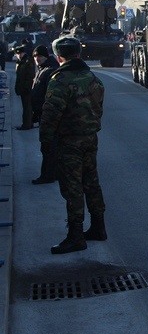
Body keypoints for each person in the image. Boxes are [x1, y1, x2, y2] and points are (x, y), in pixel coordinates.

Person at [40, 36, 107, 254]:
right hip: (90, 138)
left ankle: (76, 236)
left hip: (69, 141)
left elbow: (50, 114)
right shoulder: (92, 77)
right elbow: (98, 109)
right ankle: (98, 227)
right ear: (78, 54)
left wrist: (46, 141)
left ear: (59, 56)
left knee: (72, 187)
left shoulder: (60, 80)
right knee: (91, 183)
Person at [30, 45, 60, 184]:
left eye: (40, 56)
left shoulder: (50, 71)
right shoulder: (42, 70)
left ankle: (48, 175)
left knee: (48, 146)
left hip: (48, 116)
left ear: (46, 56)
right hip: (42, 114)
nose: (37, 59)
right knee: (48, 146)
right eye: (35, 56)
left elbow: (50, 96)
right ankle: (52, 173)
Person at [13, 45, 36, 130]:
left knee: (27, 107)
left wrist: (26, 87)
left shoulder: (27, 61)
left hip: (27, 88)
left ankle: (27, 125)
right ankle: (28, 123)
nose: (19, 55)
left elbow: (30, 76)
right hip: (22, 87)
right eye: (17, 54)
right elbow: (18, 77)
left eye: (20, 53)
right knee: (26, 107)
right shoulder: (20, 62)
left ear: (23, 53)